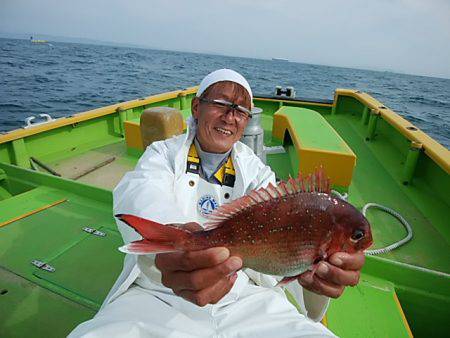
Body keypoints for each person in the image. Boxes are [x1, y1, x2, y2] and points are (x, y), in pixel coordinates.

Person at [69, 69, 365, 338]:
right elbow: (141, 192)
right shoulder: (163, 153)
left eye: (241, 111)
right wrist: (178, 243)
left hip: (248, 298)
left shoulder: (257, 171)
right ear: (197, 107)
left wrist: (318, 280)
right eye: (221, 104)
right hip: (159, 293)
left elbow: (285, 250)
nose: (230, 117)